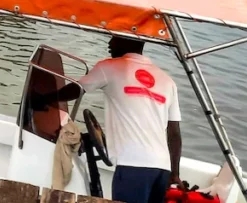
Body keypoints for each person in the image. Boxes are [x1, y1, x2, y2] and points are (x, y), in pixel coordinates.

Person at [33, 36, 182, 203]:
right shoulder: (168, 82)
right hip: (162, 169)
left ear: (129, 40)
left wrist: (44, 99)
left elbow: (76, 89)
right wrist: (175, 173)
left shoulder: (110, 67)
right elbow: (174, 134)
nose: (109, 43)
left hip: (132, 165)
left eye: (114, 38)